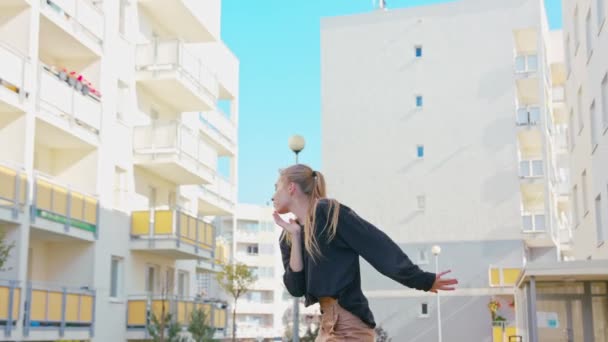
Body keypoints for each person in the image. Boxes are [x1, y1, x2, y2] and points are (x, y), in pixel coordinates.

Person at [272, 164, 458, 342]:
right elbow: (296, 289)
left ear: (291, 188)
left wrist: (422, 279)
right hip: (326, 325)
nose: (273, 196)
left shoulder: (328, 213)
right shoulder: (289, 235)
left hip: (349, 325)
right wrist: (296, 236)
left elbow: (377, 246)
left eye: (276, 187)